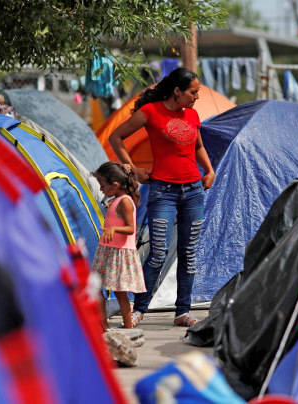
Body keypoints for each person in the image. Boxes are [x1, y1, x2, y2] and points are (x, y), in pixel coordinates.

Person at [109, 67, 215, 328]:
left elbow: (198, 146)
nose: (197, 96)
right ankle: (139, 309)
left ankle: (182, 312)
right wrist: (131, 170)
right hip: (162, 192)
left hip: (193, 191)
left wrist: (210, 170)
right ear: (177, 91)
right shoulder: (151, 112)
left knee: (188, 254)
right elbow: (116, 137)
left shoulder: (192, 114)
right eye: (193, 92)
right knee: (158, 253)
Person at [91, 161, 146, 330]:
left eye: (103, 186)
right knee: (96, 286)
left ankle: (128, 327)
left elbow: (131, 228)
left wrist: (113, 228)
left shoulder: (125, 202)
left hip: (119, 252)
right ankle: (103, 325)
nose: (101, 190)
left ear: (115, 185)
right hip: (108, 250)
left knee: (120, 292)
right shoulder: (117, 199)